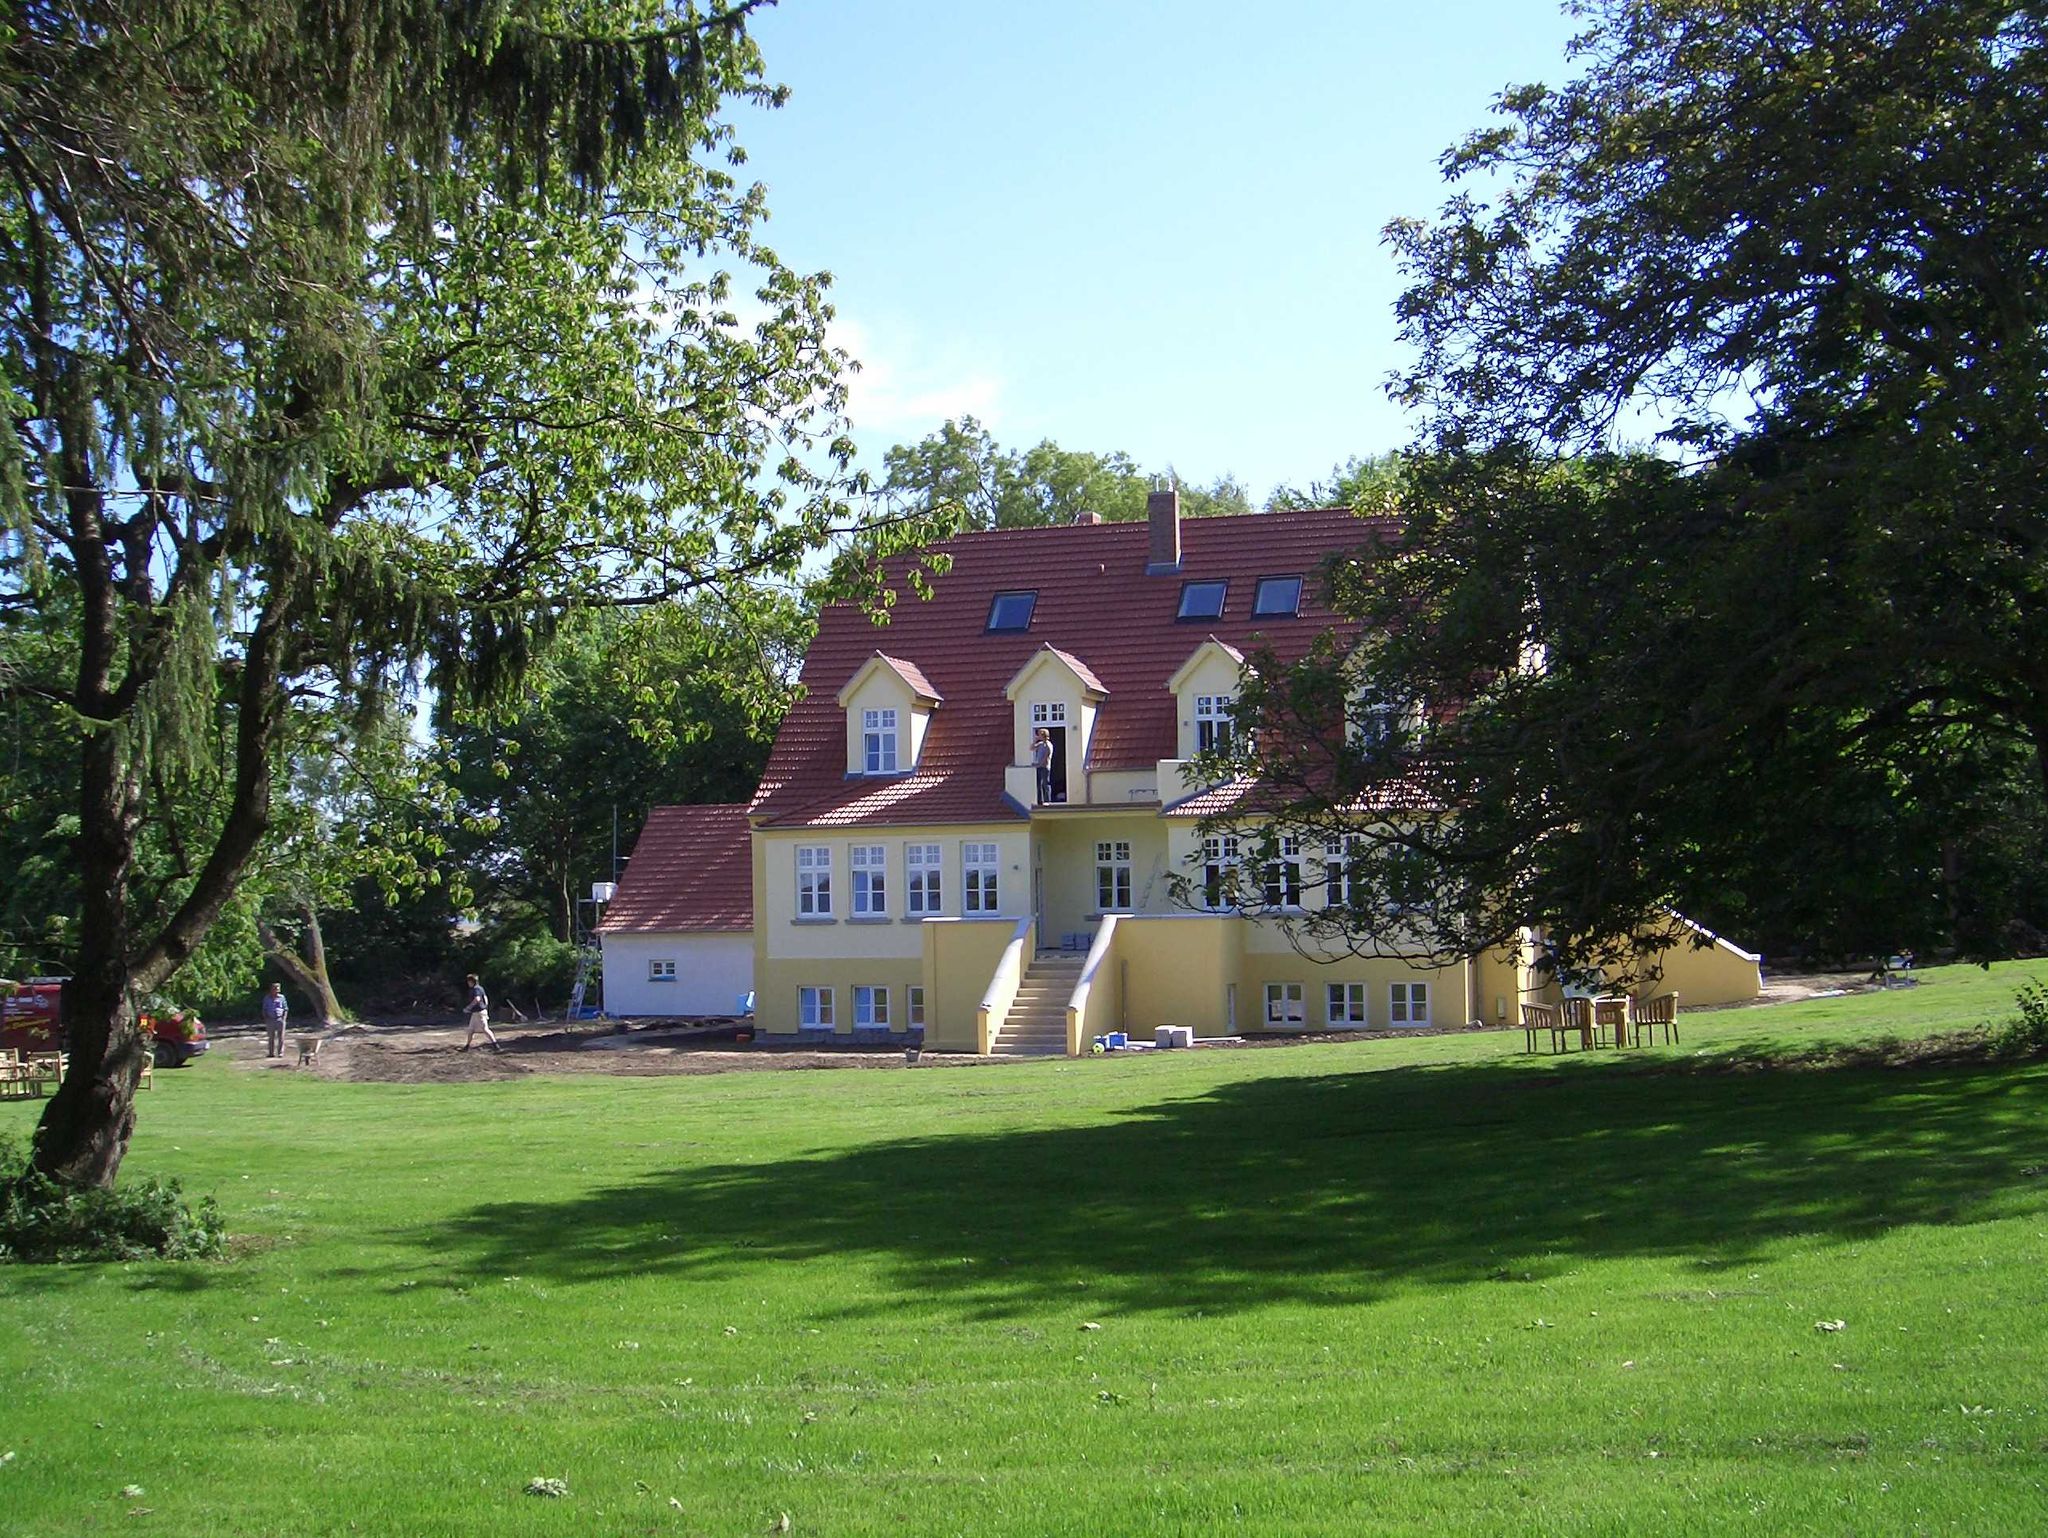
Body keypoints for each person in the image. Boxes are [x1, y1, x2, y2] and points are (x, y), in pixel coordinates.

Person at [462, 973, 498, 1051]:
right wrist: (485, 1007)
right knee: (470, 1030)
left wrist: (468, 1007)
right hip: (476, 1013)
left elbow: (477, 999)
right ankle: (467, 1046)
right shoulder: (480, 988)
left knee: (485, 1029)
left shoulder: (476, 989)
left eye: (469, 981)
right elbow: (486, 998)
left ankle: (496, 1045)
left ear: (472, 981)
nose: (468, 983)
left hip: (479, 1013)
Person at [261, 982, 288, 1059]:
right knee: (271, 1037)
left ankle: (280, 1053)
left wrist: (284, 1018)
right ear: (271, 989)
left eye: (278, 989)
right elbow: (264, 1009)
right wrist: (266, 1018)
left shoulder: (282, 997)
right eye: (275, 989)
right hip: (270, 1019)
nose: (277, 991)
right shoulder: (267, 998)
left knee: (281, 1037)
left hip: (280, 1019)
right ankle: (271, 1053)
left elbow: (285, 1008)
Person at [1031, 727, 1054, 805]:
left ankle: (1048, 800)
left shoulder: (1048, 745)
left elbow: (1046, 757)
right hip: (1039, 767)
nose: (1039, 735)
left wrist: (1039, 764)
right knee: (1038, 784)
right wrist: (1035, 740)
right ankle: (1040, 801)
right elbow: (1031, 748)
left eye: (1040, 734)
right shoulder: (1040, 744)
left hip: (1045, 767)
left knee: (1045, 783)